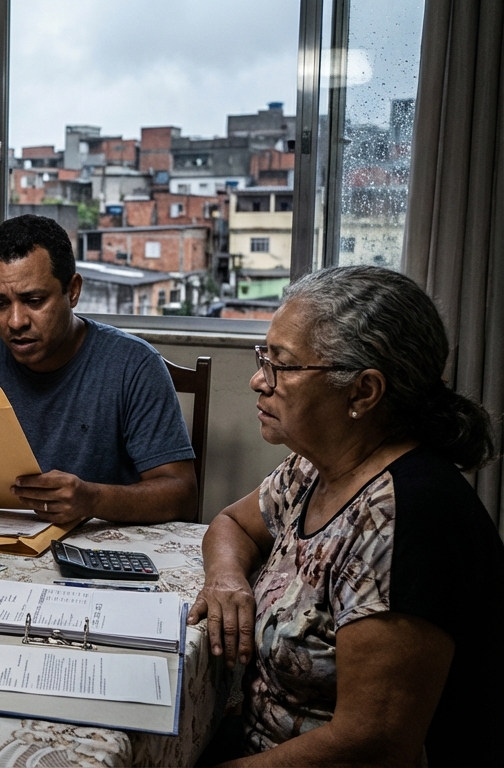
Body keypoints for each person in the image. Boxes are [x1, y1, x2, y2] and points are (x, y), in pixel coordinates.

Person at [188, 266, 503, 765]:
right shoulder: (314, 467)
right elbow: (232, 523)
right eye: (262, 358)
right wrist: (227, 578)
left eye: (281, 365)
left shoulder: (407, 518)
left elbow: (374, 744)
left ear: (362, 392)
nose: (257, 380)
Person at [0, 214, 197, 524]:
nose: (15, 321)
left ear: (73, 290)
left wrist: (92, 499)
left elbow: (182, 493)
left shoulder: (134, 364)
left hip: (93, 550)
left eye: (34, 300)